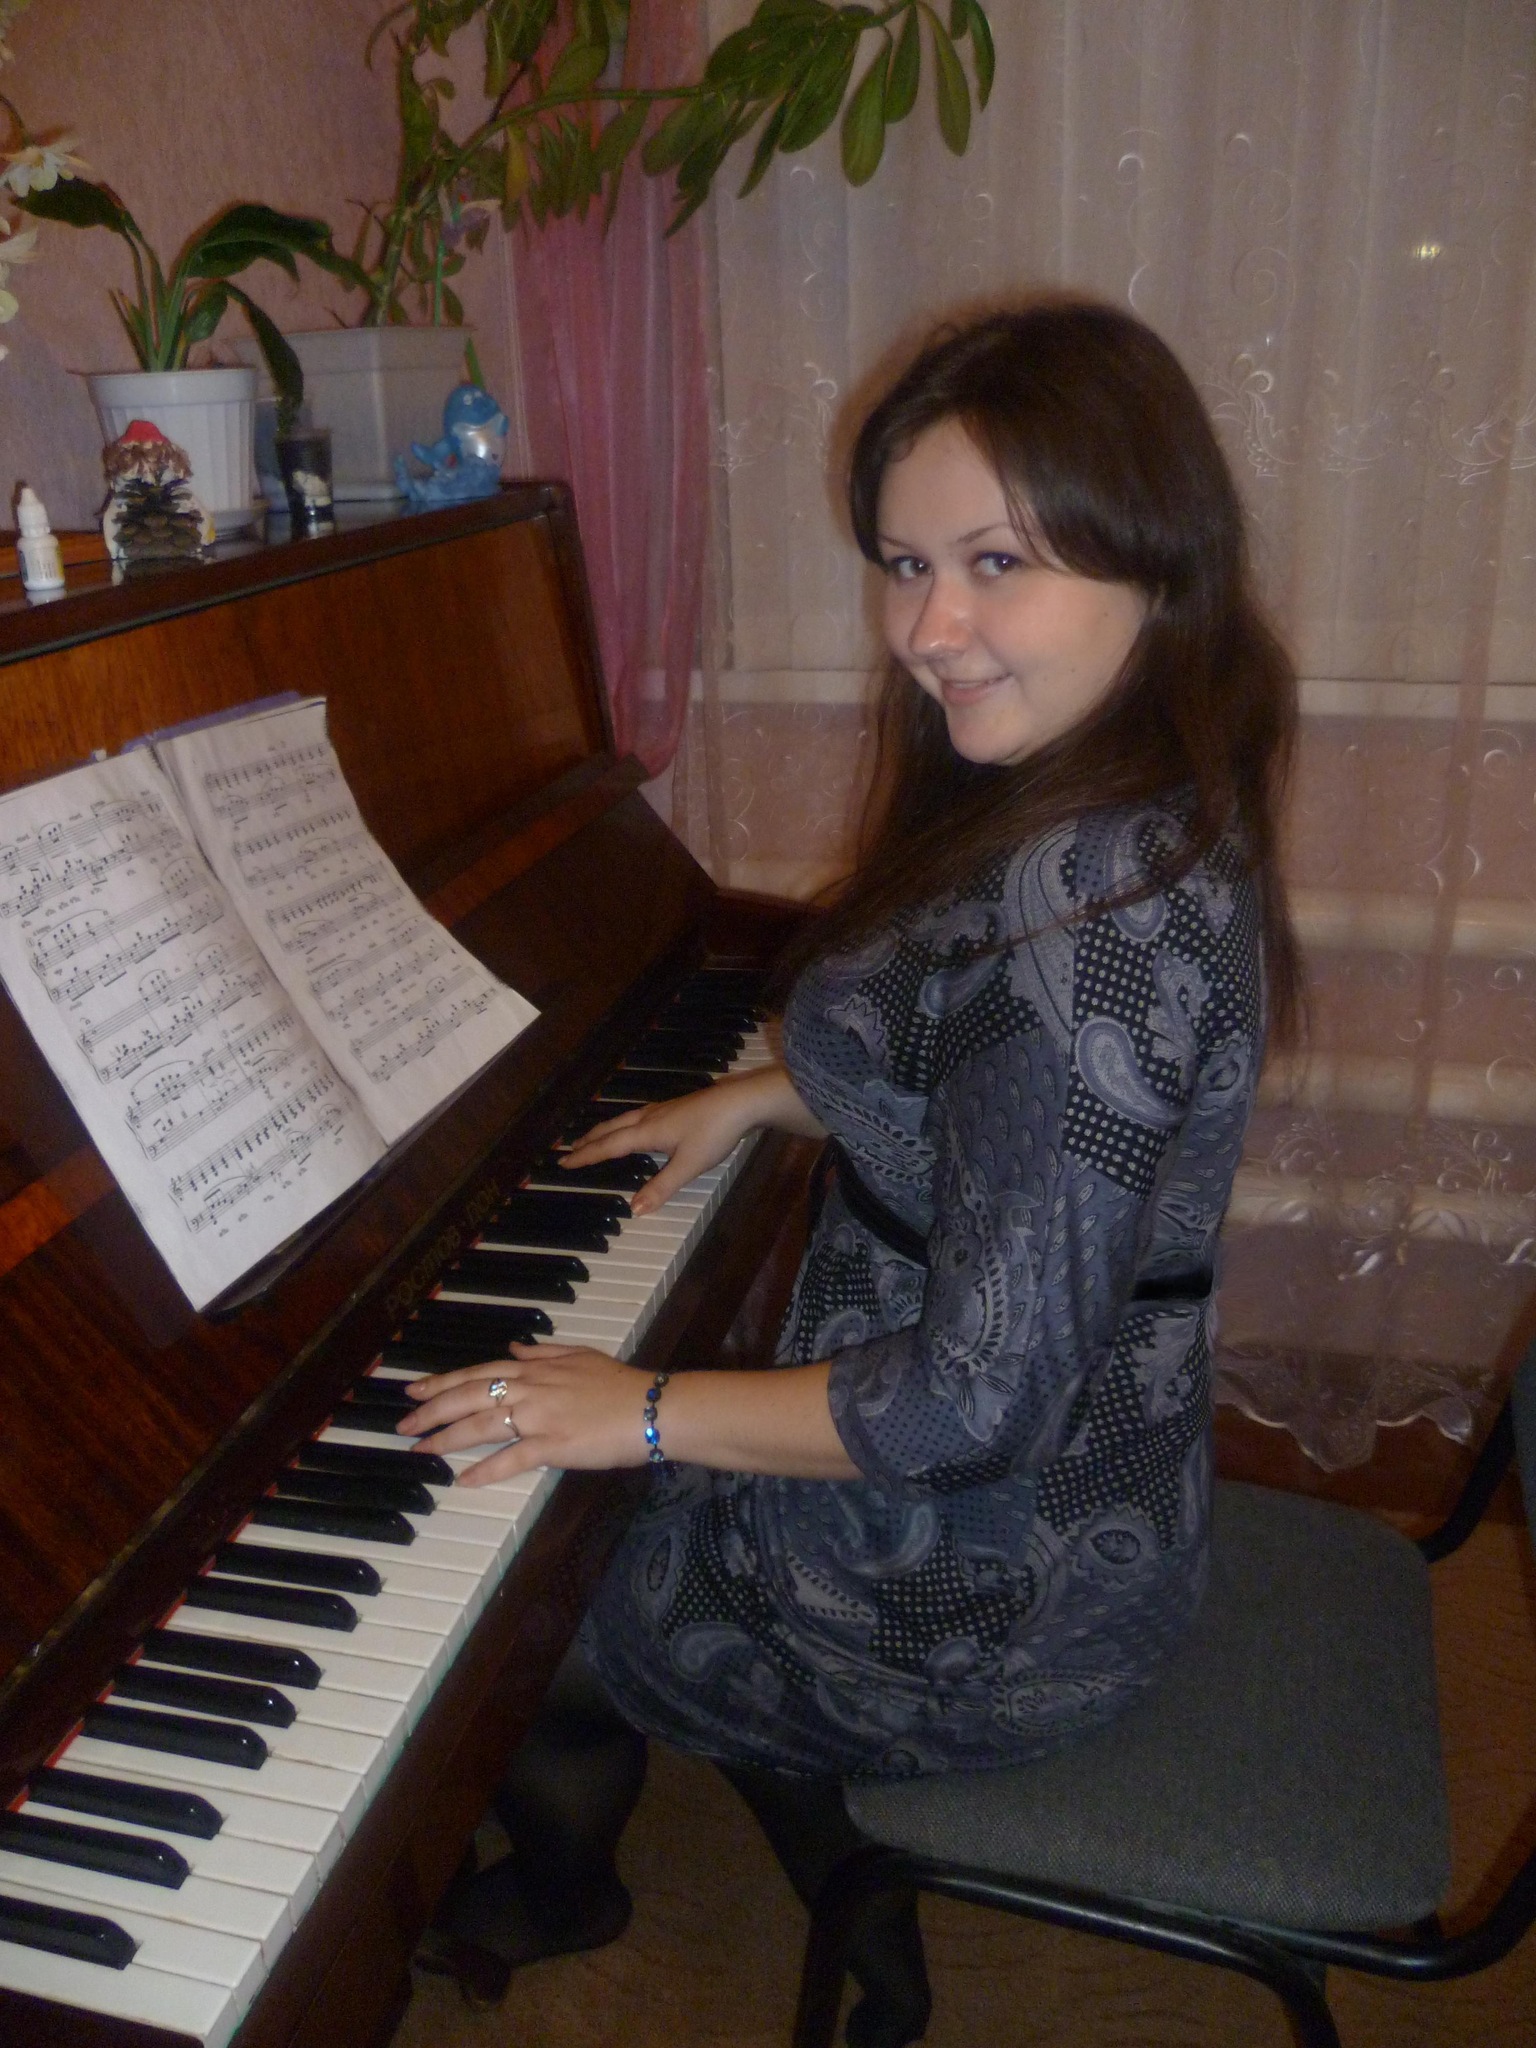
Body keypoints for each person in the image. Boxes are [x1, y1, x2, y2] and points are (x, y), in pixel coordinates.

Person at [399, 296, 1301, 2044]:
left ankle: (592, 1894)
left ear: (1156, 558)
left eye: (996, 564)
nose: (929, 630)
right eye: (906, 565)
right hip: (1076, 1482)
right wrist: (767, 1098)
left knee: (520, 1606)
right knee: (562, 1492)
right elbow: (1005, 1090)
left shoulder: (1088, 919)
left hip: (987, 1582)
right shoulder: (1126, 784)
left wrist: (641, 1412)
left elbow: (973, 1402)